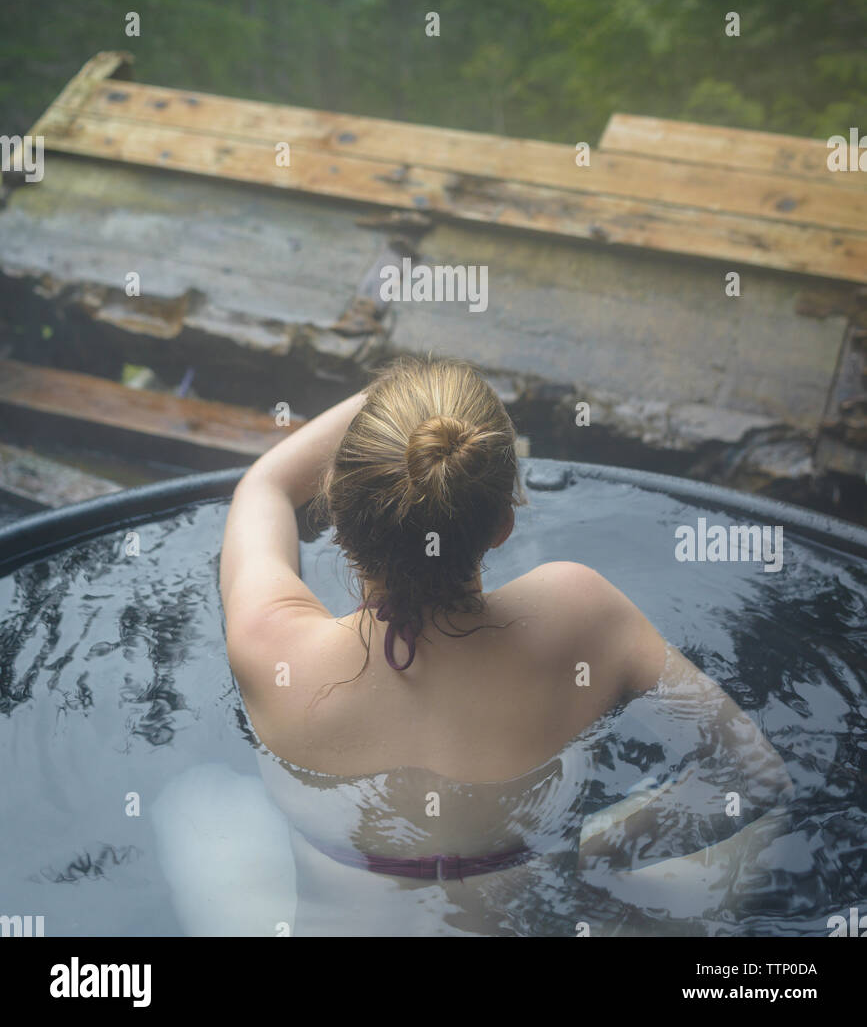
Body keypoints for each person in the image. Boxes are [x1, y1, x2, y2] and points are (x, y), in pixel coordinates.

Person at [218, 354, 792, 936]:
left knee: (204, 813)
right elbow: (753, 774)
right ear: (502, 527)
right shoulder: (580, 616)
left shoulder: (271, 645)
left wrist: (392, 401)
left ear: (339, 514)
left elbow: (263, 486)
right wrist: (597, 854)